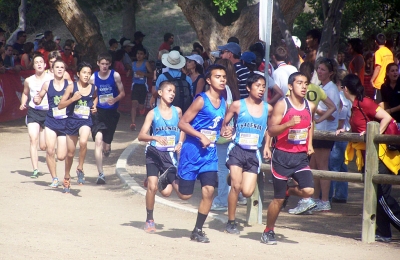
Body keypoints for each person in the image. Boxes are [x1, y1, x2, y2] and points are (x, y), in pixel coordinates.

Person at [157, 64, 230, 243]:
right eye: (217, 77)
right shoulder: (201, 100)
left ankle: (197, 230)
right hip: (192, 152)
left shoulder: (224, 102)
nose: (222, 80)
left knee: (209, 190)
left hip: (210, 154)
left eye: (224, 77)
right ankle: (170, 174)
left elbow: (218, 127)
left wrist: (227, 132)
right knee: (185, 195)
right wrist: (200, 136)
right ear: (208, 80)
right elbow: (183, 123)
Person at [339, 74, 400, 242]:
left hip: (381, 155)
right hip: (369, 156)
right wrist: (346, 132)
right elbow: (359, 129)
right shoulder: (354, 106)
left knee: (382, 195)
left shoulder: (364, 102)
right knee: (375, 194)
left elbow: (386, 118)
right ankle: (384, 232)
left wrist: (374, 136)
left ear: (345, 88)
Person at [261, 72, 316, 245]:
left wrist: (310, 144)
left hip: (300, 156)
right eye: (299, 83)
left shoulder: (309, 105)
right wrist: (288, 124)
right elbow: (271, 129)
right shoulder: (281, 105)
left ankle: (289, 191)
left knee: (308, 191)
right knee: (277, 199)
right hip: (282, 156)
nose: (304, 86)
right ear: (290, 86)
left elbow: (310, 124)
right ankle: (268, 230)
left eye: (306, 83)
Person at [223, 73, 273, 234]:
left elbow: (269, 130)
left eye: (263, 86)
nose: (261, 89)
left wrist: (267, 146)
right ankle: (231, 222)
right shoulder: (238, 105)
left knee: (247, 192)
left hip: (253, 153)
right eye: (258, 86)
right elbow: (225, 122)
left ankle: (232, 177)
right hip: (237, 149)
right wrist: (227, 129)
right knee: (236, 187)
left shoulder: (268, 108)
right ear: (248, 87)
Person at [138, 80, 185, 233]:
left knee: (166, 192)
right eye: (169, 91)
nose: (172, 94)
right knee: (152, 187)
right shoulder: (153, 113)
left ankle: (156, 179)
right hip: (153, 152)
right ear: (160, 92)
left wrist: (180, 142)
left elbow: (183, 128)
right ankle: (149, 219)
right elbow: (141, 136)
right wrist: (155, 138)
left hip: (170, 155)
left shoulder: (177, 111)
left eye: (174, 92)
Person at [58, 62, 98, 193]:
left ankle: (80, 168)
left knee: (83, 142)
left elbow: (95, 98)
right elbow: (60, 105)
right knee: (70, 153)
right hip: (71, 121)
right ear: (78, 74)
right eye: (84, 73)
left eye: (89, 73)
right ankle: (67, 176)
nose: (86, 75)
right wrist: (73, 99)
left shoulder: (93, 88)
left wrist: (94, 106)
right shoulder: (71, 87)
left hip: (85, 120)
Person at [308, 58, 340, 212]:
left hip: (325, 131)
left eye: (323, 70)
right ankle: (314, 198)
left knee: (322, 166)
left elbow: (333, 113)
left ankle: (325, 200)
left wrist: (316, 111)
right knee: (313, 165)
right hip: (316, 131)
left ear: (331, 73)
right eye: (318, 69)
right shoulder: (321, 87)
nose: (320, 72)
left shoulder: (332, 89)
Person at [33, 59, 71, 187]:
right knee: (50, 151)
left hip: (65, 123)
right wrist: (36, 99)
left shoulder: (70, 84)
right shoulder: (47, 84)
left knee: (60, 156)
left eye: (62, 67)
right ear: (52, 70)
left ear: (65, 70)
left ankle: (65, 174)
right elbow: (39, 98)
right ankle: (54, 178)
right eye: (57, 67)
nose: (60, 69)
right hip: (51, 121)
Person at [90, 53, 125, 184]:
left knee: (106, 144)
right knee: (98, 140)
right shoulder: (93, 77)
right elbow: (90, 94)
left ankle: (107, 147)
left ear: (109, 64)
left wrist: (115, 99)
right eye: (102, 63)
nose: (104, 66)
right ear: (98, 63)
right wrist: (93, 105)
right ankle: (101, 174)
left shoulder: (115, 75)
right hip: (98, 113)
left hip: (111, 113)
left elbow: (123, 93)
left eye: (106, 64)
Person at [210, 59, 240, 211]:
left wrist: (222, 127)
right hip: (232, 131)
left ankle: (222, 199)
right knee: (233, 166)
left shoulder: (224, 90)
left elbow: (226, 110)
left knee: (222, 168)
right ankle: (239, 195)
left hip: (223, 133)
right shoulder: (232, 88)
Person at [19, 54, 52, 178]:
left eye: (41, 62)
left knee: (43, 146)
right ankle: (35, 169)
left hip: (47, 112)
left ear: (45, 65)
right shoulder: (29, 80)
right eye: (36, 62)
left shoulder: (51, 79)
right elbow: (25, 93)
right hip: (33, 112)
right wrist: (23, 102)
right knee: (33, 139)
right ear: (33, 66)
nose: (39, 64)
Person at [329, 69, 351, 203]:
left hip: (340, 134)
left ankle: (328, 195)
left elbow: (341, 118)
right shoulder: (346, 96)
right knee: (342, 166)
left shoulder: (341, 97)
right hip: (347, 134)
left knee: (333, 166)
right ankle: (342, 194)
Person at [129, 47, 153, 131]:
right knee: (134, 104)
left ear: (144, 55)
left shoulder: (146, 63)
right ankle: (133, 123)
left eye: (141, 54)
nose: (139, 55)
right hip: (135, 85)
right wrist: (129, 72)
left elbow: (151, 74)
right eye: (138, 54)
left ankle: (142, 109)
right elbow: (129, 73)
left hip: (143, 86)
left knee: (140, 106)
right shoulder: (133, 64)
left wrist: (143, 74)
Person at [371, 33, 394, 101]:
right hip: (388, 81)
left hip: (379, 83)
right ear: (385, 41)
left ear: (376, 42)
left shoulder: (378, 53)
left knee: (378, 104)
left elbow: (378, 67)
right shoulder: (389, 52)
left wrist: (372, 80)